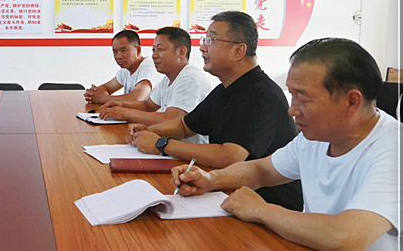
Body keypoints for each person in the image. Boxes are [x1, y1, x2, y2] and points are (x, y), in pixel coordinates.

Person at [171, 38, 403, 251]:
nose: (291, 110)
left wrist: (259, 209)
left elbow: (347, 238)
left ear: (351, 102)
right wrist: (210, 179)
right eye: (291, 94)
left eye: (303, 98)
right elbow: (262, 170)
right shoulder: (317, 137)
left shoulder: (400, 150)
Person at [127, 11, 302, 210]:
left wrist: (162, 144)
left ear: (238, 50)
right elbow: (185, 126)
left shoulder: (262, 94)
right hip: (227, 193)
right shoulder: (224, 89)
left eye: (211, 40)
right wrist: (150, 131)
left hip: (266, 206)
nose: (202, 47)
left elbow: (230, 156)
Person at [96, 26, 215, 143]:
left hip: (187, 152)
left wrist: (125, 113)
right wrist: (121, 105)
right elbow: (148, 105)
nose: (154, 55)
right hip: (170, 145)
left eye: (160, 49)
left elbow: (171, 119)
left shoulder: (189, 78)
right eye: (153, 50)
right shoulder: (168, 78)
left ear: (181, 52)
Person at [83, 29, 157, 105]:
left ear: (138, 50)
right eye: (115, 51)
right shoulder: (126, 70)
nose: (118, 56)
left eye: (124, 50)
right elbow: (106, 88)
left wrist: (101, 98)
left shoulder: (148, 68)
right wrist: (94, 94)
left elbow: (135, 98)